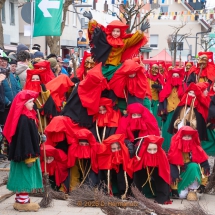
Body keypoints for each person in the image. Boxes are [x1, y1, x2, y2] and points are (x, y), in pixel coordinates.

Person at [3, 90, 43, 212]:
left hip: (23, 153)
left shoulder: (28, 116)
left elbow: (32, 135)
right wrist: (28, 156)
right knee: (25, 177)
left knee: (22, 176)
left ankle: (19, 200)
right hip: (26, 154)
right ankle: (23, 203)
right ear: (23, 104)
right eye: (30, 102)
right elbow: (25, 139)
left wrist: (40, 137)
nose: (33, 104)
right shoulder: (24, 119)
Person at [83, 11, 149, 80]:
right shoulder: (105, 38)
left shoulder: (124, 42)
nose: (115, 33)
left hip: (115, 68)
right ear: (111, 31)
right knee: (92, 79)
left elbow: (133, 39)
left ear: (120, 32)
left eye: (117, 31)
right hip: (103, 67)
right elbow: (96, 32)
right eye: (114, 31)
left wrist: (141, 31)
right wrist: (91, 20)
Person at [168, 126, 210, 200]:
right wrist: (174, 188)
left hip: (191, 175)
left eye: (189, 136)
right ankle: (177, 191)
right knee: (181, 195)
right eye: (184, 136)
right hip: (179, 178)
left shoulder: (197, 149)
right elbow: (172, 170)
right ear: (180, 137)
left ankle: (192, 190)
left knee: (193, 166)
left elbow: (205, 167)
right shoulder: (174, 149)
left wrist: (203, 184)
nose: (187, 138)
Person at [133, 135, 171, 204]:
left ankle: (162, 196)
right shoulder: (141, 155)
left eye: (155, 149)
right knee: (139, 174)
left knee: (161, 176)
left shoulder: (162, 156)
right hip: (144, 171)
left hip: (156, 170)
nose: (152, 152)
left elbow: (164, 174)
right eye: (149, 149)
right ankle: (137, 195)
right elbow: (137, 173)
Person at [97, 134, 133, 199]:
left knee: (121, 173)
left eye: (118, 148)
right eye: (113, 149)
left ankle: (123, 192)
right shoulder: (105, 156)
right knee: (107, 175)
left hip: (121, 167)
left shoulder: (124, 153)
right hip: (110, 167)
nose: (116, 150)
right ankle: (105, 192)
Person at [158, 68, 185, 151]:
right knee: (166, 130)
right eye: (174, 76)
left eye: (177, 76)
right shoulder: (166, 87)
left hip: (179, 113)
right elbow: (162, 99)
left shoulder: (183, 87)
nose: (175, 77)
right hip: (169, 112)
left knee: (178, 131)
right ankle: (166, 148)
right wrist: (162, 111)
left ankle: (177, 149)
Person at [147, 64, 165, 129]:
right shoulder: (147, 76)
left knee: (156, 114)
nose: (155, 71)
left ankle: (156, 127)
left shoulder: (160, 78)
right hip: (148, 98)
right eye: (153, 68)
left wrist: (160, 87)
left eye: (156, 69)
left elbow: (164, 87)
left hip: (156, 99)